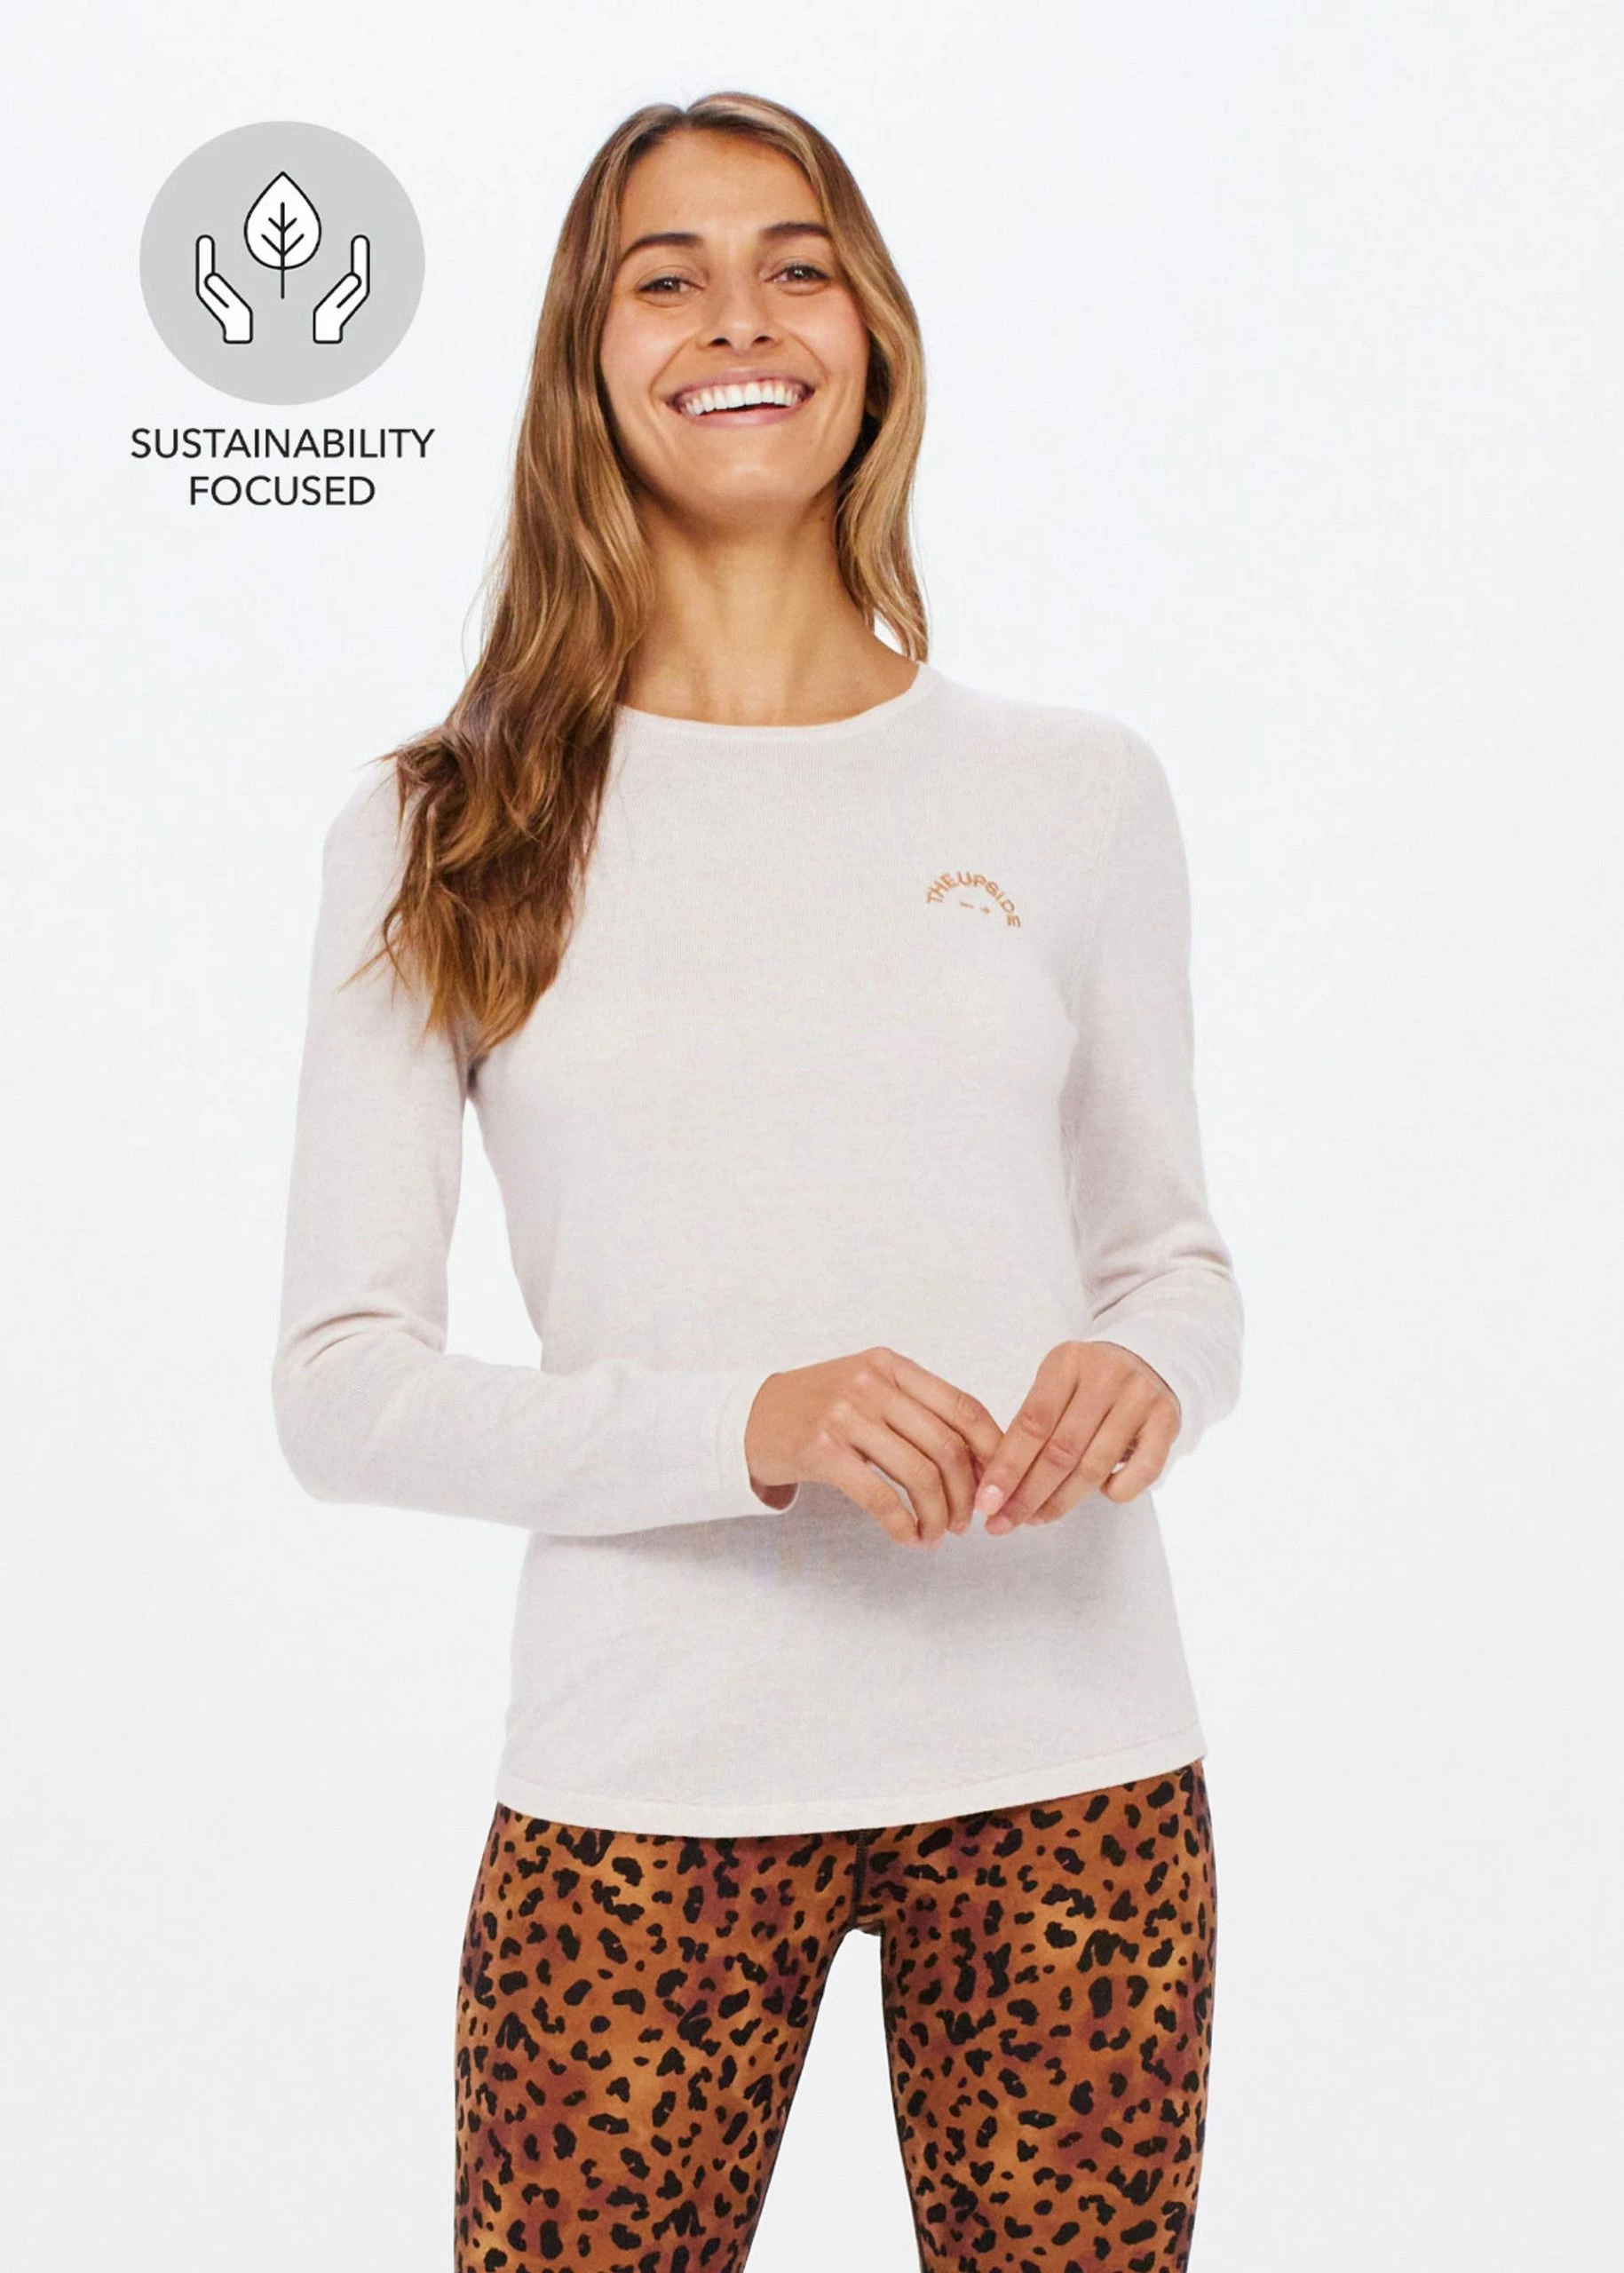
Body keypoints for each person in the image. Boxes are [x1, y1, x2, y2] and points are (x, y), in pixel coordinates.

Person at [271, 89, 1244, 2273]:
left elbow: (1170, 1258)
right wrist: (753, 1425)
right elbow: (338, 1386)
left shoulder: (1074, 791)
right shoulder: (448, 826)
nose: (740, 317)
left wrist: (1148, 1370)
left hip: (1070, 1762)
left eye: (796, 265)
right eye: (668, 276)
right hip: (643, 1777)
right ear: (586, 358)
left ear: (870, 334)